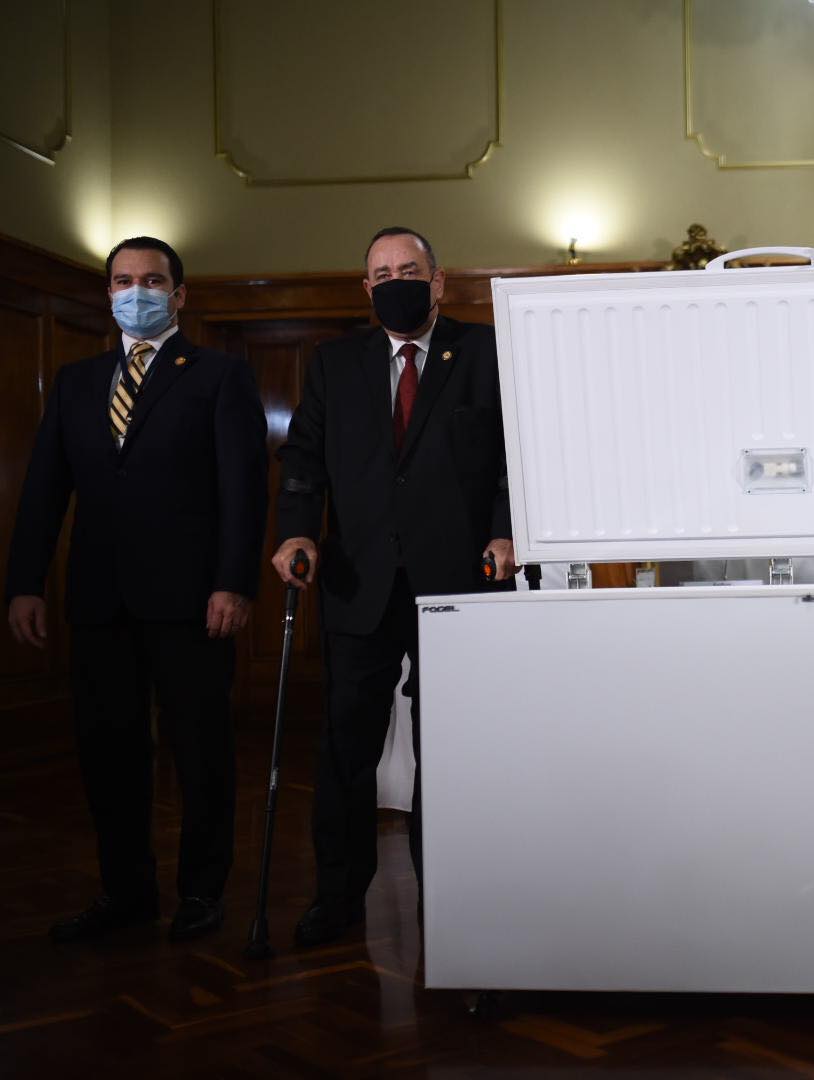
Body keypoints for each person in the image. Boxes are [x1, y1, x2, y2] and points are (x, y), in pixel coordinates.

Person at [5, 236, 268, 942]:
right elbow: (42, 494)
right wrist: (24, 583)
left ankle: (201, 894)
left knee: (200, 753)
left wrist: (233, 584)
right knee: (109, 754)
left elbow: (243, 492)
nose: (137, 290)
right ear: (108, 293)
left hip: (192, 603)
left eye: (153, 279)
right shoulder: (75, 383)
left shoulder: (218, 376)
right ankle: (126, 894)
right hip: (99, 602)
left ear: (179, 295)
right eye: (123, 279)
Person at [271, 226, 516, 947]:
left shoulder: (485, 354)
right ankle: (338, 898)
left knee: (453, 751)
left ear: (439, 282)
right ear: (366, 287)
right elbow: (305, 456)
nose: (394, 282)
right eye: (381, 273)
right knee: (346, 747)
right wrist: (296, 531)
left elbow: (513, 455)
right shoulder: (335, 363)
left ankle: (450, 898)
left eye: (409, 270)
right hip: (359, 582)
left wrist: (505, 532)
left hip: (461, 584)